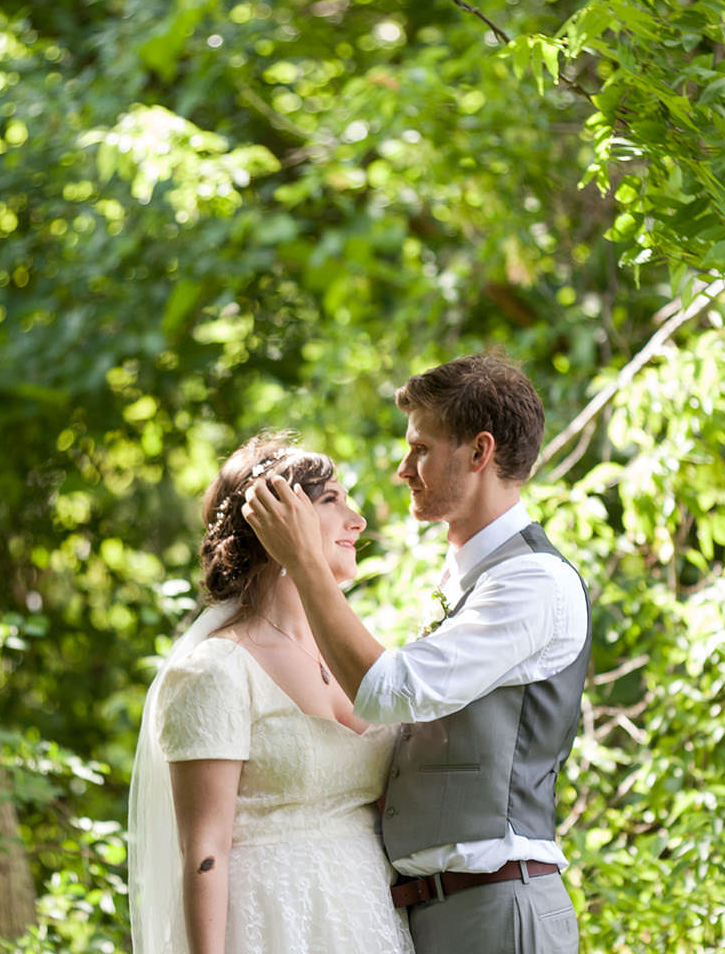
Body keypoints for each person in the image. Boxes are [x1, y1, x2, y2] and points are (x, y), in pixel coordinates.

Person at [242, 353, 589, 954]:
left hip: (498, 912)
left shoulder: (533, 582)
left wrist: (303, 562)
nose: (404, 469)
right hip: (433, 915)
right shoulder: (469, 581)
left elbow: (389, 691)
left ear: (479, 453)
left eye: (421, 449)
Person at [128, 434, 415, 954]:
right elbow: (203, 850)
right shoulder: (215, 671)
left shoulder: (359, 657)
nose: (359, 520)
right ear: (276, 519)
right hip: (268, 925)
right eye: (332, 500)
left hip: (366, 919)